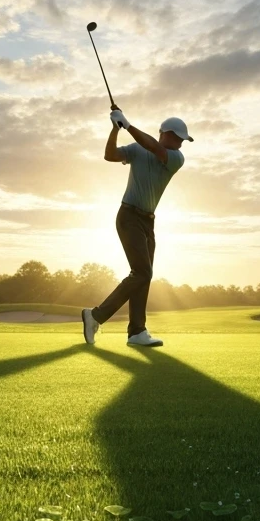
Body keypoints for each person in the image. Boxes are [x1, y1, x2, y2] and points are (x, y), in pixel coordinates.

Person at [82, 109, 193, 347]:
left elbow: (154, 147)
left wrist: (128, 125)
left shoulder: (175, 158)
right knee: (142, 273)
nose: (181, 144)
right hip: (128, 216)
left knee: (144, 275)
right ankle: (96, 316)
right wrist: (115, 129)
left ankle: (136, 332)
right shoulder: (137, 149)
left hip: (148, 221)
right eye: (179, 139)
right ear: (167, 134)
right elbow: (110, 155)